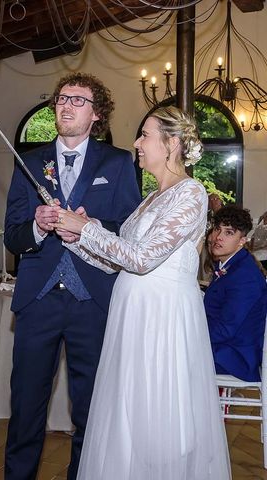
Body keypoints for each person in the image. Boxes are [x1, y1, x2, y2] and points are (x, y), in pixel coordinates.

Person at [54, 106, 230, 479]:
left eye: (145, 135)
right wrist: (74, 235)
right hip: (131, 314)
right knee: (129, 410)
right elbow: (114, 261)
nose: (136, 143)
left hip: (162, 317)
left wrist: (86, 228)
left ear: (172, 144)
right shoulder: (149, 200)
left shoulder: (192, 193)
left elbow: (143, 259)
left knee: (159, 410)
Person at [3, 72, 141, 480]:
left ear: (96, 114)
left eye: (78, 100)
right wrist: (37, 226)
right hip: (37, 301)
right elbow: (12, 235)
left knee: (90, 409)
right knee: (26, 407)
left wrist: (91, 225)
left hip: (93, 301)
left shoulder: (117, 163)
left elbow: (129, 230)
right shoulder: (30, 162)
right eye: (63, 99)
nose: (66, 105)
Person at [205, 205, 267, 381]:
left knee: (166, 354)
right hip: (224, 347)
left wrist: (188, 334)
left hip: (234, 358)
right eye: (217, 229)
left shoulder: (244, 277)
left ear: (242, 241)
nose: (218, 237)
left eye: (229, 232)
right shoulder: (232, 265)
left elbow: (225, 329)